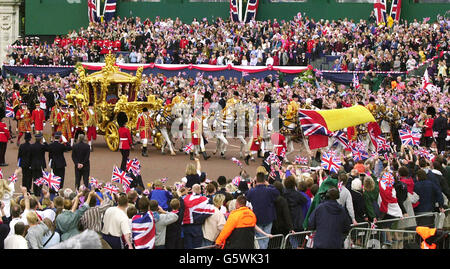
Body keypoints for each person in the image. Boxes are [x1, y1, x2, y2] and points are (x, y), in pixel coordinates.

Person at [245, 172, 279, 249]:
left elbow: (246, 196)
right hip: (268, 218)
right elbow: (277, 192)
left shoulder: (252, 191)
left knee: (259, 238)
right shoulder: (269, 190)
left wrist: (252, 187)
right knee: (266, 238)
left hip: (257, 218)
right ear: (264, 180)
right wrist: (268, 184)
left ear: (256, 180)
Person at [181, 184, 215, 249]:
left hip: (186, 226)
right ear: (200, 191)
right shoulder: (206, 200)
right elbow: (211, 211)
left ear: (192, 190)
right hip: (197, 227)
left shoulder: (185, 199)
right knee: (197, 247)